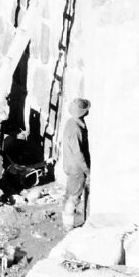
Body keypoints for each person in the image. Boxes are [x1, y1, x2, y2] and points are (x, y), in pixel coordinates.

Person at [58, 96, 90, 230]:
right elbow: (78, 153)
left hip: (70, 165)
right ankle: (68, 226)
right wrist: (87, 170)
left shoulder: (71, 122)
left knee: (69, 194)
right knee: (74, 196)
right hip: (77, 168)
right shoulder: (76, 129)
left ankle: (66, 222)